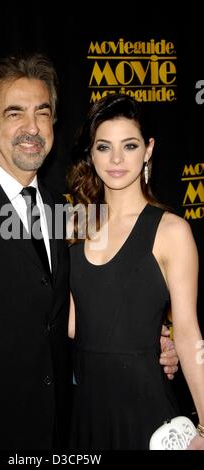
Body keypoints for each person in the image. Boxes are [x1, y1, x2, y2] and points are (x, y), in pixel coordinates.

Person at [0, 53, 178, 450]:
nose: (32, 127)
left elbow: (72, 315)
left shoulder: (59, 210)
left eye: (42, 112)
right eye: (14, 113)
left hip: (60, 431)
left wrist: (152, 341)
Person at [67, 93, 204, 450]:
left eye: (129, 146)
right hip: (85, 413)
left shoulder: (172, 231)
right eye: (103, 147)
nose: (115, 159)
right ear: (90, 154)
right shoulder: (75, 226)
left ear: (148, 149)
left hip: (147, 414)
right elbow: (70, 323)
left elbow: (189, 333)